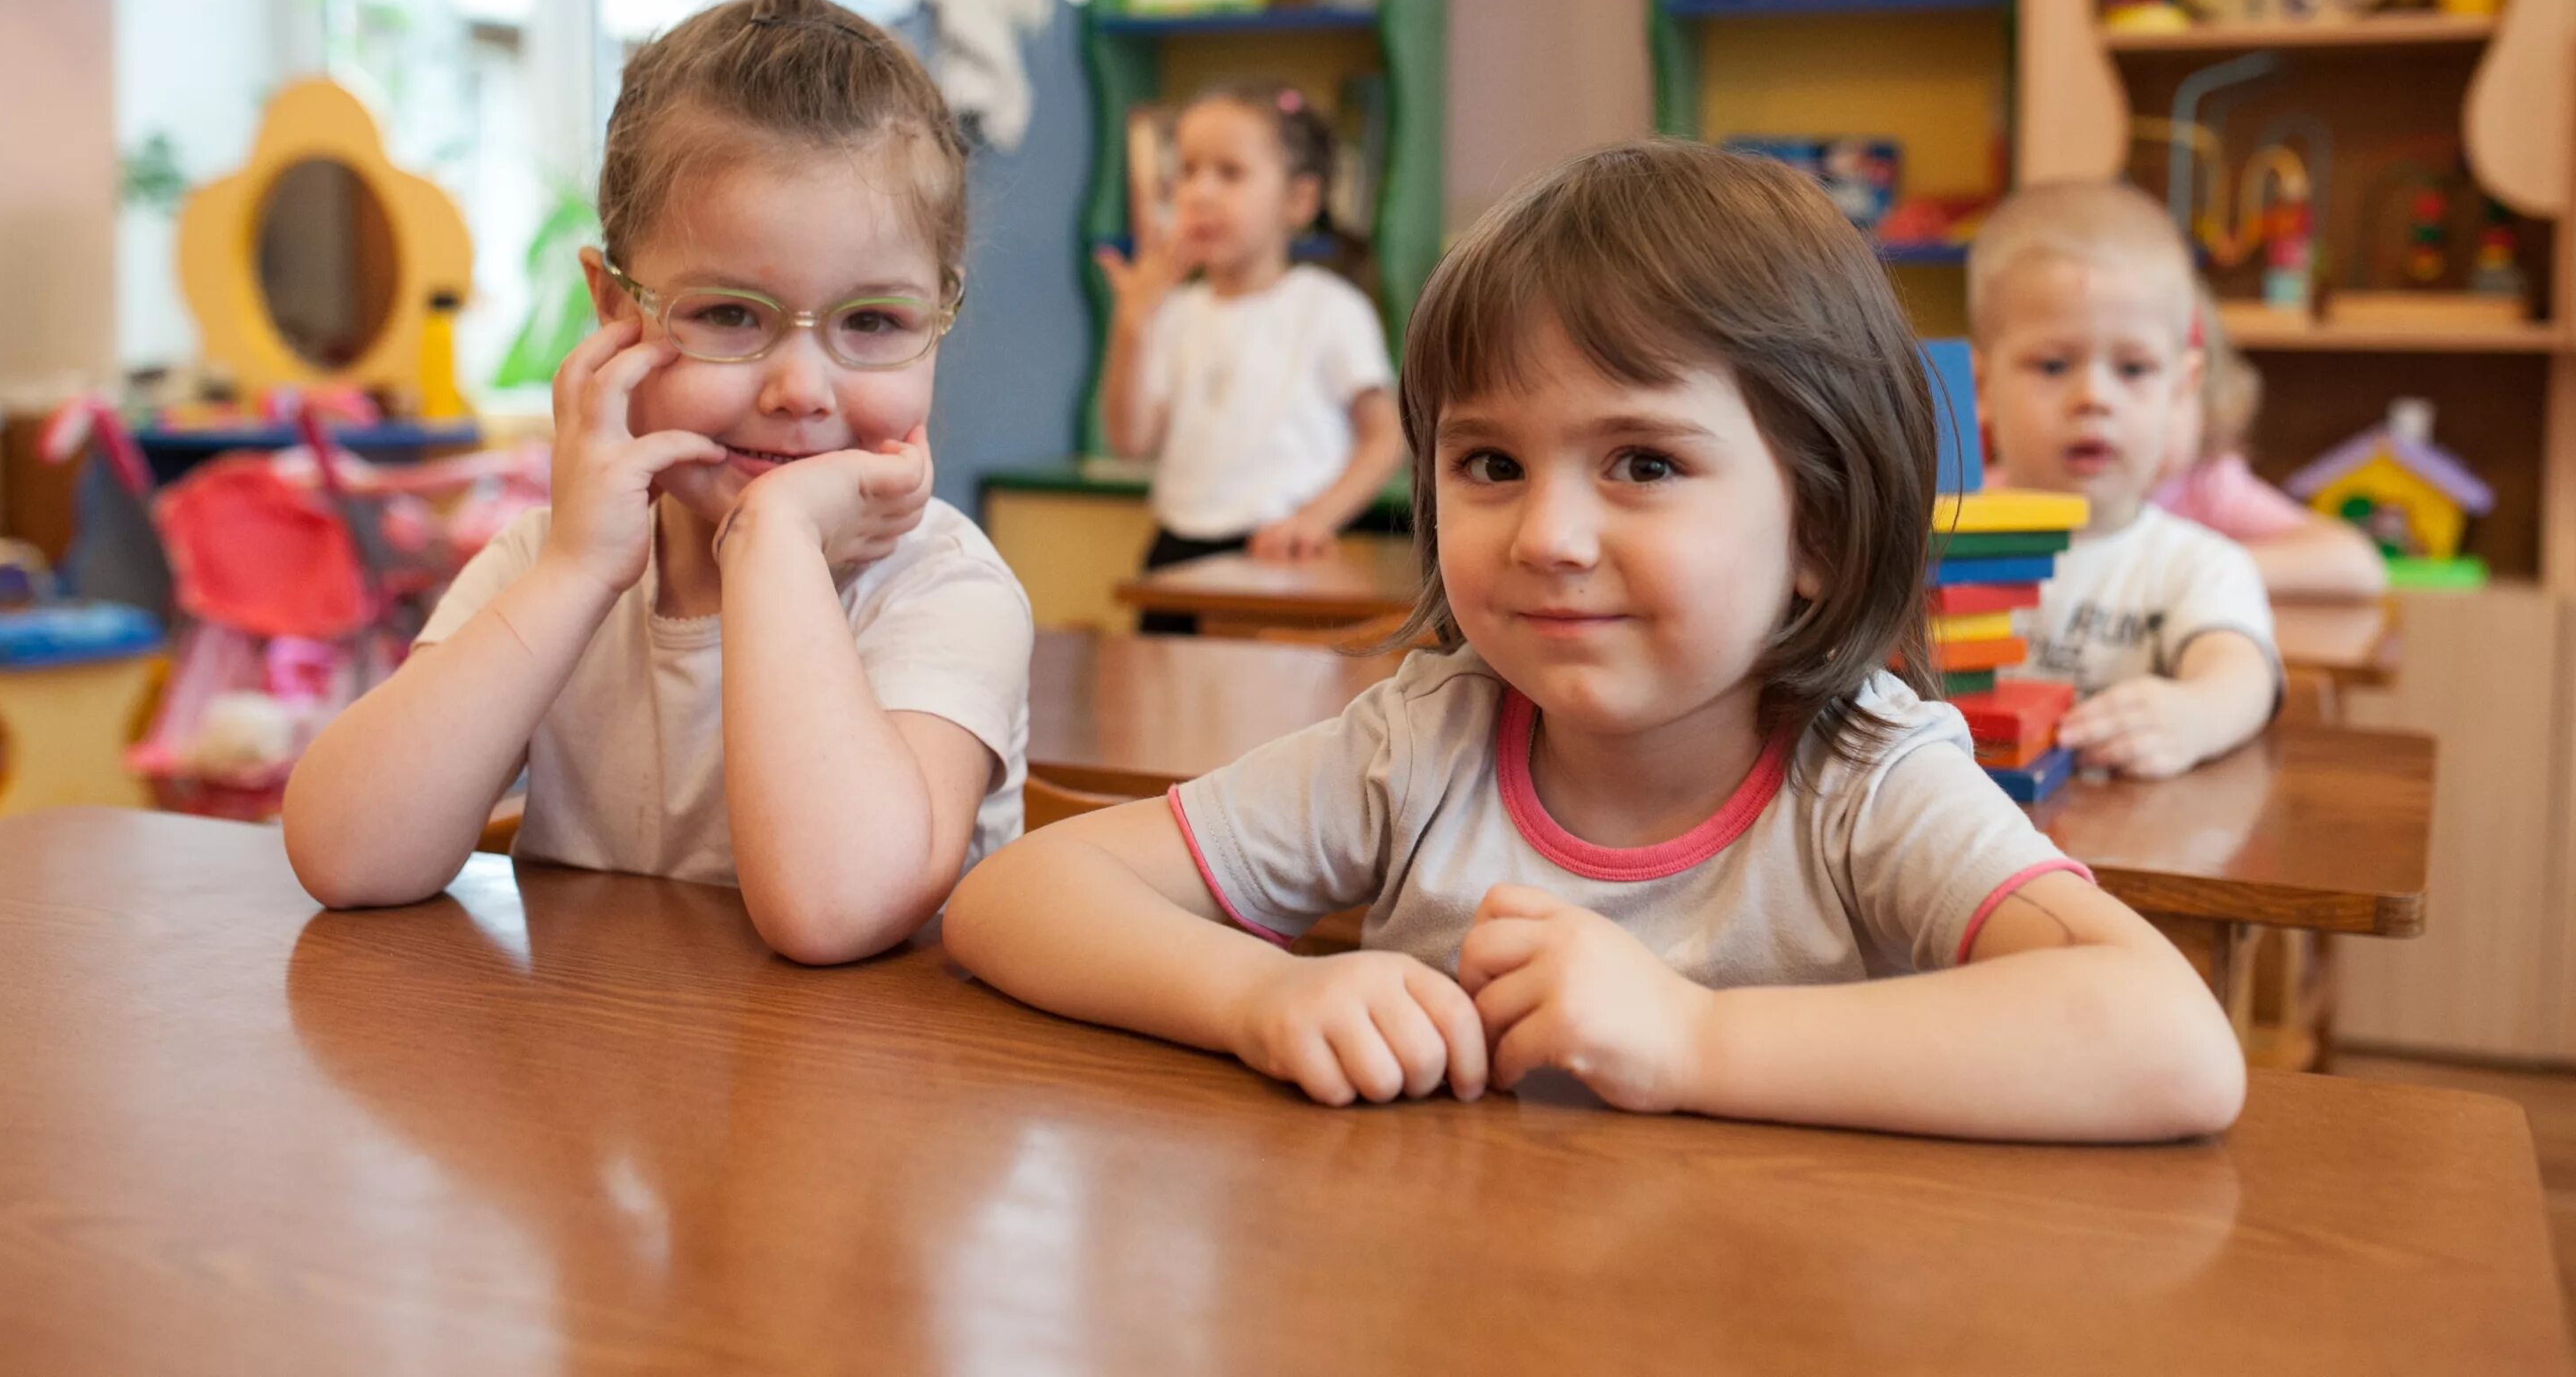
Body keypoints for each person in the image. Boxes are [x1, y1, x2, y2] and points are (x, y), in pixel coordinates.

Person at [948, 141, 2242, 1141]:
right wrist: (1259, 996)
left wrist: (1694, 1044)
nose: (1549, 536)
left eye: (1642, 462)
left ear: (1824, 530)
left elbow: (2171, 1045)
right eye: (1492, 462)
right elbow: (1017, 895)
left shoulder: (1865, 782)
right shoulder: (1420, 745)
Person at [285, 0, 1032, 964]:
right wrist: (573, 574)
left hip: (867, 1100)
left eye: (874, 322)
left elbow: (834, 909)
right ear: (612, 308)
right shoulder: (561, 562)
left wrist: (773, 542)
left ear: (938, 314)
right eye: (729, 314)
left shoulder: (947, 588)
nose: (803, 387)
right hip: (625, 1079)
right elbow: (346, 853)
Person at [1967, 182, 2283, 779]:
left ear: (2180, 390)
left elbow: (2244, 673)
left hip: (2124, 852)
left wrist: (2195, 715)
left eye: (2133, 369)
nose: (2094, 398)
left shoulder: (2198, 565)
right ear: (1983, 386)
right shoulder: (1937, 535)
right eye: (2054, 365)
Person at [1095, 86, 1405, 630]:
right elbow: (1131, 439)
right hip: (1175, 550)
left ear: (1299, 201)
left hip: (1280, 557)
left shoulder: (1331, 308)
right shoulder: (1175, 312)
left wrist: (1314, 521)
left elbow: (1386, 436)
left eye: (1230, 173)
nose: (1201, 193)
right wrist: (1132, 328)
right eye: (1187, 172)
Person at [2154, 290, 2387, 599]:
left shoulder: (2206, 486)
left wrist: (2198, 571)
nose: (2098, 400)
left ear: (2205, 401)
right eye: (2065, 366)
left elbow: (2359, 565)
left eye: (2134, 371)